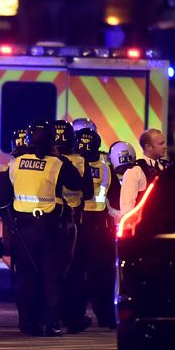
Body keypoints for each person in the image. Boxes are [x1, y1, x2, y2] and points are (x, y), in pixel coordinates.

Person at [8, 121, 85, 337]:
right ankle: (50, 322)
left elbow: (8, 189)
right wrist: (60, 157)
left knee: (25, 276)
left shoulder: (17, 162)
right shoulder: (56, 164)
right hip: (50, 228)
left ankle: (26, 323)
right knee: (51, 277)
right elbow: (77, 184)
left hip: (23, 229)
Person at [76, 128, 118, 329]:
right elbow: (116, 199)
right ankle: (107, 317)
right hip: (100, 228)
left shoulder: (74, 166)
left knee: (76, 274)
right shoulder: (106, 169)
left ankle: (75, 316)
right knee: (103, 275)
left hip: (78, 225)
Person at [52, 120, 91, 333]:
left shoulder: (49, 161)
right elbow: (88, 191)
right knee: (75, 273)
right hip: (74, 223)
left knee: (53, 272)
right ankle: (74, 317)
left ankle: (53, 316)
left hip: (52, 222)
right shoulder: (80, 161)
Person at [120, 128, 170, 216]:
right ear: (148, 147)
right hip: (147, 226)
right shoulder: (135, 171)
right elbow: (127, 207)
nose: (165, 146)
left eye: (164, 143)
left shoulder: (166, 167)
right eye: (160, 144)